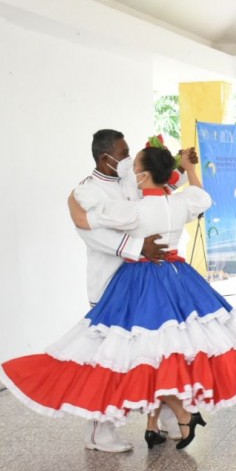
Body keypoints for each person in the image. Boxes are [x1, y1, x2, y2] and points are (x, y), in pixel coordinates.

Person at [3, 144, 236, 450]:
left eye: (135, 167)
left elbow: (87, 221)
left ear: (142, 176)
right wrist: (190, 168)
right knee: (172, 348)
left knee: (135, 350)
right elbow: (201, 196)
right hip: (177, 278)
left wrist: (72, 202)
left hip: (141, 281)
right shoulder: (181, 201)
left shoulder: (133, 211)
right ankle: (168, 418)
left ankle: (173, 415)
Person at [63, 130, 172, 452]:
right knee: (108, 362)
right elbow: (93, 234)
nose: (128, 159)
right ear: (105, 157)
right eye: (123, 153)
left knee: (151, 353)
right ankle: (100, 431)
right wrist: (139, 247)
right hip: (109, 284)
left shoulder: (127, 181)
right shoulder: (86, 192)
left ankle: (165, 413)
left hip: (141, 283)